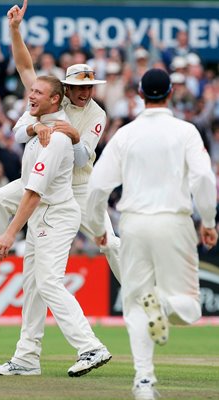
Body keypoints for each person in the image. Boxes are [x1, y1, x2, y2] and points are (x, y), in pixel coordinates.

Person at [0, 0, 120, 286]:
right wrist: (15, 30)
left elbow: (81, 159)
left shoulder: (97, 113)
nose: (84, 93)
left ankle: (140, 295)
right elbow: (23, 65)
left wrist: (72, 136)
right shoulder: (54, 98)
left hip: (78, 186)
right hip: (43, 179)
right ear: (66, 88)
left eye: (89, 87)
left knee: (110, 243)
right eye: (79, 88)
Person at [86, 68, 218, 399]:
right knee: (188, 309)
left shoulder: (126, 134)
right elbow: (204, 179)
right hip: (174, 222)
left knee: (134, 307)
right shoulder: (186, 131)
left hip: (133, 224)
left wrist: (99, 228)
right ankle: (162, 303)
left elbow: (98, 185)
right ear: (171, 93)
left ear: (141, 95)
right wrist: (210, 221)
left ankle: (144, 381)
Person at [0, 74, 110, 376]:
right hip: (43, 213)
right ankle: (27, 358)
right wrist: (15, 32)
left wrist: (8, 234)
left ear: (55, 99)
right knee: (32, 286)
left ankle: (90, 346)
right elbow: (23, 67)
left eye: (37, 92)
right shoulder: (35, 125)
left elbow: (32, 193)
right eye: (31, 90)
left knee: (47, 282)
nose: (30, 96)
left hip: (55, 214)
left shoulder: (56, 138)